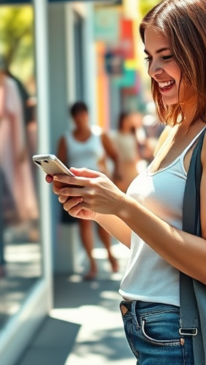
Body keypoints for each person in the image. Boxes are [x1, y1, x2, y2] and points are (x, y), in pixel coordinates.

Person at [47, 0, 206, 364]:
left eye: (167, 56)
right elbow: (153, 244)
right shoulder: (175, 129)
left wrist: (124, 205)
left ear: (203, 52)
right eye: (149, 57)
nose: (153, 71)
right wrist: (97, 208)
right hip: (148, 326)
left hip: (182, 330)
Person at [57, 102, 121, 280]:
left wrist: (116, 175)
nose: (80, 120)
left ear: (87, 115)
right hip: (77, 186)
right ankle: (92, 264)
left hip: (97, 183)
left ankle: (109, 254)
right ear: (73, 119)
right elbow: (60, 162)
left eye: (83, 116)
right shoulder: (66, 138)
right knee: (84, 223)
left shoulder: (99, 134)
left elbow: (114, 155)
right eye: (76, 117)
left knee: (103, 222)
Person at [109, 112, 142, 192]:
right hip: (122, 169)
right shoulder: (115, 136)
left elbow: (136, 152)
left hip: (132, 169)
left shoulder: (132, 135)